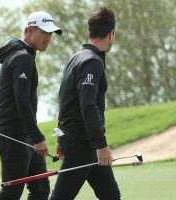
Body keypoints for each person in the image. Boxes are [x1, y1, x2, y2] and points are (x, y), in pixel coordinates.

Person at [0, 11, 62, 200]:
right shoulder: (22, 58)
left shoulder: (25, 55)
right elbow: (22, 101)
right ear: (30, 30)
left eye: (51, 34)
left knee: (40, 189)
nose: (49, 38)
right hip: (13, 135)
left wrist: (33, 136)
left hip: (24, 134)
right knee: (11, 193)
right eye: (45, 33)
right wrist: (37, 137)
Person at [50, 7, 120, 200]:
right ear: (111, 33)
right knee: (61, 197)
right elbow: (87, 105)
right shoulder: (92, 61)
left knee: (110, 195)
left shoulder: (75, 58)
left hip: (78, 140)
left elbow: (64, 100)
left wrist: (60, 137)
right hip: (83, 143)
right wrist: (101, 145)